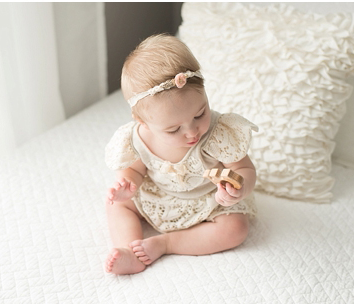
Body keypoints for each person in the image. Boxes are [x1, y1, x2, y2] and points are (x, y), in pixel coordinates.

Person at [103, 34, 258, 275]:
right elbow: (133, 171)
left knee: (235, 228)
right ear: (143, 122)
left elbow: (244, 170)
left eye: (200, 113)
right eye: (174, 129)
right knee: (116, 204)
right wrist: (128, 185)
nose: (192, 131)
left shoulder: (217, 132)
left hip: (209, 201)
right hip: (160, 196)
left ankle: (168, 243)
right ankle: (130, 252)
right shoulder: (137, 138)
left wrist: (239, 188)